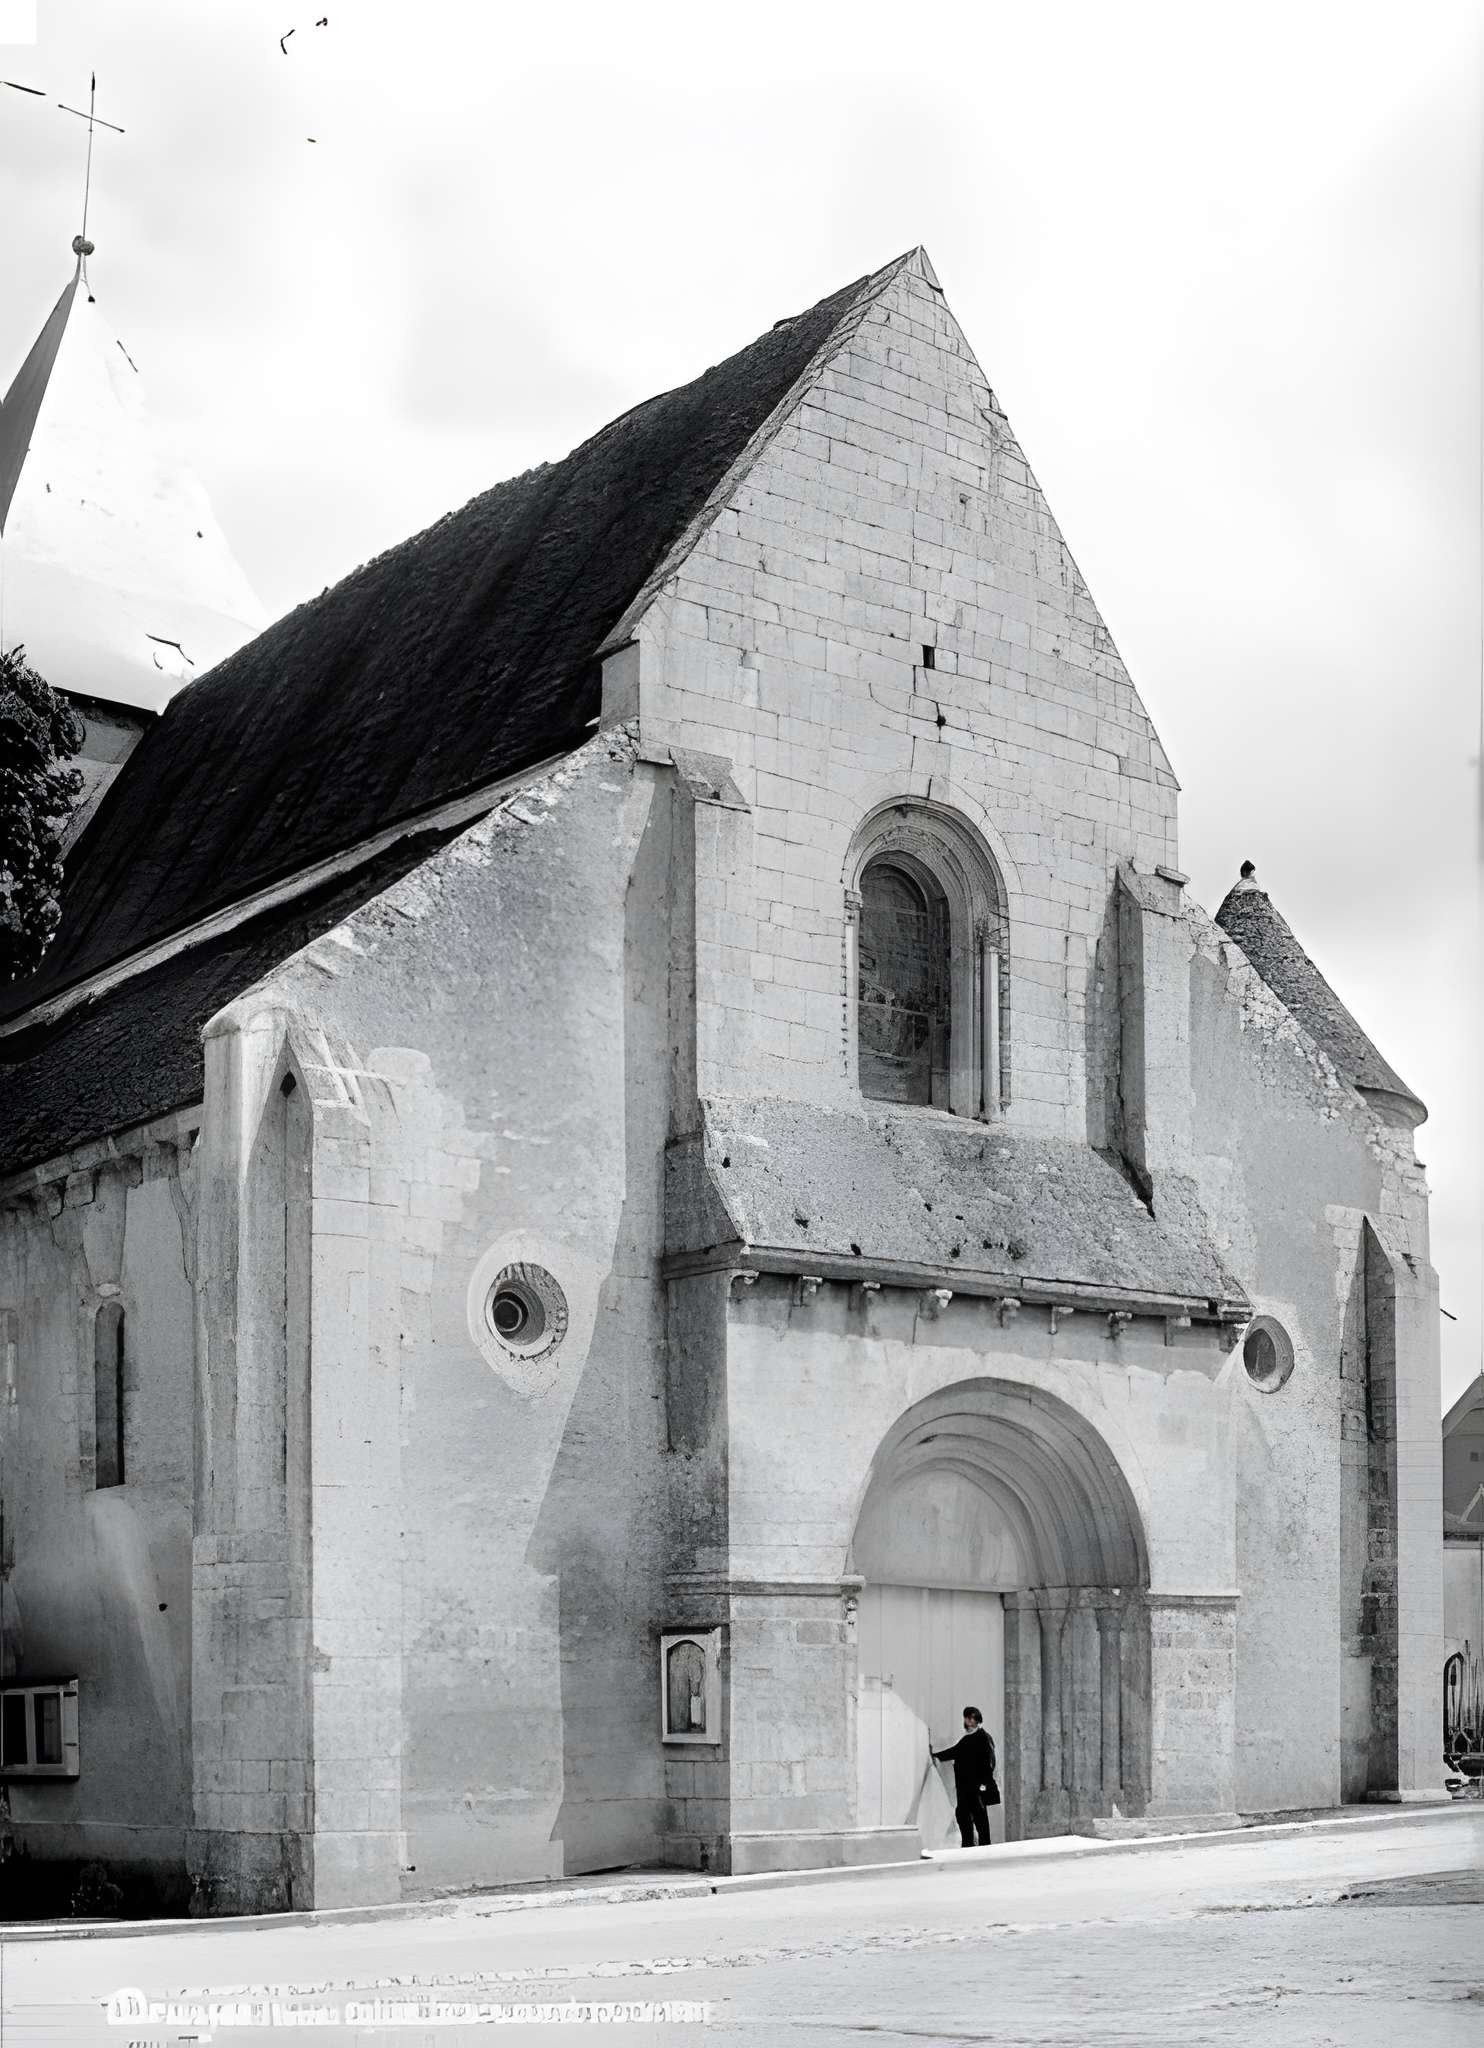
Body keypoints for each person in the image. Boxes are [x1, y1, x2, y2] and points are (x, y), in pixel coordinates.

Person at [932, 1706, 999, 1847]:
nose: (969, 1720)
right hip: (966, 1785)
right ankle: (971, 1843)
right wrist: (936, 1756)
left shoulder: (981, 1737)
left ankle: (979, 1844)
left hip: (974, 1786)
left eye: (972, 1717)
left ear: (977, 1719)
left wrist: (984, 1783)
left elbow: (988, 1761)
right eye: (967, 1717)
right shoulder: (970, 1737)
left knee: (974, 1815)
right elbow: (956, 1751)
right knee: (966, 1815)